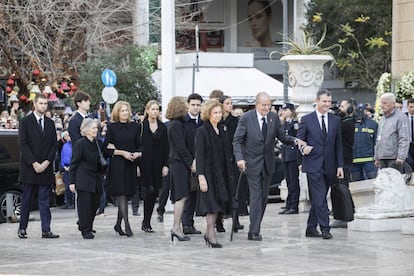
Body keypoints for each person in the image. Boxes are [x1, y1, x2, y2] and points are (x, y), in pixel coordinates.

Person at [233, 92, 304, 241]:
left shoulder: (273, 118)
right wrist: (240, 158)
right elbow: (237, 140)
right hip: (251, 164)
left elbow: (282, 137)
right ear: (257, 105)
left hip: (267, 164)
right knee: (255, 196)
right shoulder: (246, 119)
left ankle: (256, 225)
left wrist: (296, 141)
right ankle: (254, 231)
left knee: (263, 198)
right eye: (264, 105)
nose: (266, 108)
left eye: (268, 105)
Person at [297, 89, 344, 240]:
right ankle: (325, 228)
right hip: (313, 164)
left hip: (330, 165)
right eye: (324, 101)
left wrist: (340, 166)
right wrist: (304, 148)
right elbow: (299, 140)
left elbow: (338, 145)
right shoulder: (306, 119)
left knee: (320, 197)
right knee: (319, 197)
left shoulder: (335, 120)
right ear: (317, 101)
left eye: (329, 102)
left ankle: (311, 228)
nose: (327, 104)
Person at [17, 94, 59, 239]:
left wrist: (47, 162)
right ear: (34, 104)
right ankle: (22, 228)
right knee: (27, 200)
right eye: (41, 103)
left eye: (45, 103)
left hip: (45, 168)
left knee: (44, 201)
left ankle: (46, 230)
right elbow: (23, 145)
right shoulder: (25, 122)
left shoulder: (50, 123)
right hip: (30, 168)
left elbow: (54, 145)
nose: (43, 106)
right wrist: (34, 163)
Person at [195, 100, 234, 248]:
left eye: (219, 112)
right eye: (215, 113)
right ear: (208, 114)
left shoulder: (223, 129)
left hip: (222, 172)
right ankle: (210, 233)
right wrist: (201, 176)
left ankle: (209, 232)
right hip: (208, 172)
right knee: (211, 204)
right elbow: (199, 155)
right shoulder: (202, 131)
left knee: (218, 202)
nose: (218, 115)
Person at [104, 101, 142, 237]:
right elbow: (106, 149)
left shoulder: (135, 127)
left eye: (127, 110)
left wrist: (138, 153)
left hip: (131, 164)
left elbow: (139, 145)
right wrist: (121, 152)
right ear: (117, 113)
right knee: (121, 194)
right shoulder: (112, 127)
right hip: (118, 165)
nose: (125, 113)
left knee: (126, 194)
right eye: (122, 111)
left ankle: (118, 225)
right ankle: (127, 225)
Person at [69, 118, 103, 239]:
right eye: (93, 128)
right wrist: (71, 181)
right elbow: (74, 163)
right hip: (83, 178)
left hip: (96, 178)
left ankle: (85, 223)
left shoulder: (98, 142)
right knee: (85, 205)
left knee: (95, 203)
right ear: (87, 130)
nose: (96, 130)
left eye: (96, 128)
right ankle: (86, 229)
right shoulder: (80, 144)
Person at [139, 100, 169, 233]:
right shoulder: (141, 126)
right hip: (144, 163)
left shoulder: (163, 127)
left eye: (157, 109)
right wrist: (137, 166)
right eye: (153, 109)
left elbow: (166, 147)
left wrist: (165, 165)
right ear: (147, 110)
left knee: (154, 192)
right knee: (149, 190)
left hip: (158, 164)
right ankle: (146, 221)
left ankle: (147, 221)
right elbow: (137, 145)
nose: (155, 111)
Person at [166, 97, 193, 242]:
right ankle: (176, 228)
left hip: (178, 163)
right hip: (179, 164)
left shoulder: (174, 124)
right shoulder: (176, 125)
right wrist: (191, 163)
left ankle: (177, 227)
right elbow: (181, 147)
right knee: (181, 196)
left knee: (181, 196)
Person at [219, 95, 248, 231]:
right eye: (227, 103)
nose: (230, 106)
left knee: (235, 190)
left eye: (231, 103)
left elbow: (240, 140)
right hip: (220, 161)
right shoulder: (216, 121)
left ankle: (235, 219)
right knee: (220, 190)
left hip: (233, 160)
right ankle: (219, 221)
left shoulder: (236, 121)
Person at [330, 99, 355, 229]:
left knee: (341, 188)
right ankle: (347, 213)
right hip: (340, 160)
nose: (339, 108)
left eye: (342, 106)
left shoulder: (347, 124)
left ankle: (343, 217)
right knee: (340, 187)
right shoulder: (343, 122)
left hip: (343, 160)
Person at [182, 93, 204, 235]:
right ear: (188, 105)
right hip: (186, 163)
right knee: (187, 194)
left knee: (195, 193)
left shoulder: (203, 121)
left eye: (198, 105)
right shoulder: (183, 122)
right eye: (193, 105)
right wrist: (191, 161)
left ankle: (190, 223)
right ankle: (185, 223)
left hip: (200, 161)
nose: (195, 108)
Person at [374, 93, 409, 171]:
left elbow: (404, 138)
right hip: (382, 157)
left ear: (393, 104)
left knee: (393, 181)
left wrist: (401, 157)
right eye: (381, 103)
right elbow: (378, 138)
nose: (382, 105)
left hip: (394, 158)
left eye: (385, 103)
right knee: (384, 182)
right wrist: (377, 156)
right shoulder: (383, 118)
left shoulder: (401, 117)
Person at [278, 103, 301, 215]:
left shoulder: (295, 123)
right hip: (286, 153)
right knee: (288, 181)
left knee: (293, 181)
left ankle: (294, 205)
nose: (283, 111)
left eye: (286, 109)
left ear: (291, 111)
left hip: (292, 154)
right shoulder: (285, 123)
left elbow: (297, 139)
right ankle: (289, 204)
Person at [352, 104, 378, 181]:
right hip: (354, 161)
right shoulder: (350, 123)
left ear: (366, 111)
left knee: (373, 182)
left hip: (369, 161)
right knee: (356, 185)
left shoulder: (373, 124)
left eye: (362, 110)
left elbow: (377, 142)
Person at [60, 131, 75, 209]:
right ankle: (68, 202)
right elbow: (62, 157)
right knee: (66, 186)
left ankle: (73, 202)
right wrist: (63, 166)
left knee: (72, 186)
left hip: (71, 167)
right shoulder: (65, 145)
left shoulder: (73, 145)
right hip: (66, 168)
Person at [405, 99, 414, 169]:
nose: (412, 109)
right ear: (407, 107)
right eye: (411, 107)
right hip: (407, 145)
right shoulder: (403, 117)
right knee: (409, 163)